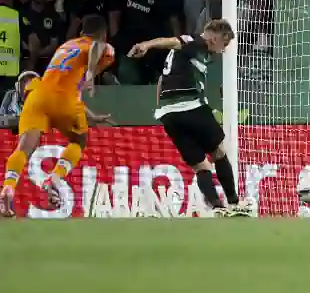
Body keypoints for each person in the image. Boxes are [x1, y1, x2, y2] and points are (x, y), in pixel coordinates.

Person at [127, 19, 249, 216]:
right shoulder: (195, 41)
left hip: (168, 115)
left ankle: (218, 208)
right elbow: (173, 41)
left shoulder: (184, 57)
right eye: (224, 44)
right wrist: (147, 45)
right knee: (218, 151)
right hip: (190, 105)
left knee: (201, 165)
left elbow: (161, 80)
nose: (223, 49)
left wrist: (161, 108)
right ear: (215, 36)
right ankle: (234, 202)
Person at [1, 15, 114, 216]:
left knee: (23, 149)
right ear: (104, 33)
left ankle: (8, 186)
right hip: (65, 101)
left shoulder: (65, 46)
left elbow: (61, 85)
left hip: (38, 97)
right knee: (79, 141)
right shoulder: (101, 46)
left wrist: (91, 115)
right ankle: (54, 178)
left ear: (81, 32)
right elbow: (97, 46)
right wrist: (90, 72)